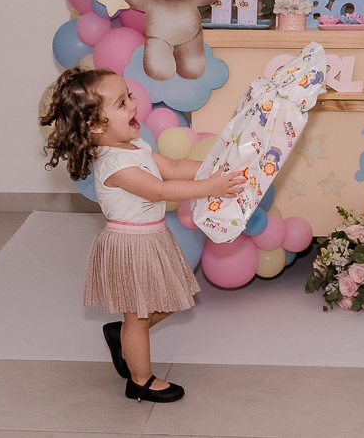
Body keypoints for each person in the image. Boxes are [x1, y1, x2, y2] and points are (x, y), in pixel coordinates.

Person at [40, 67, 244, 403]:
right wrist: (212, 187)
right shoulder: (114, 164)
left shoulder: (135, 145)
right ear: (95, 125)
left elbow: (174, 168)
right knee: (139, 315)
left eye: (130, 96)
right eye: (121, 103)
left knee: (171, 299)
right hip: (130, 244)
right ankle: (140, 380)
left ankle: (122, 336)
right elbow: (159, 190)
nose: (134, 105)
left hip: (152, 238)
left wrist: (217, 171)